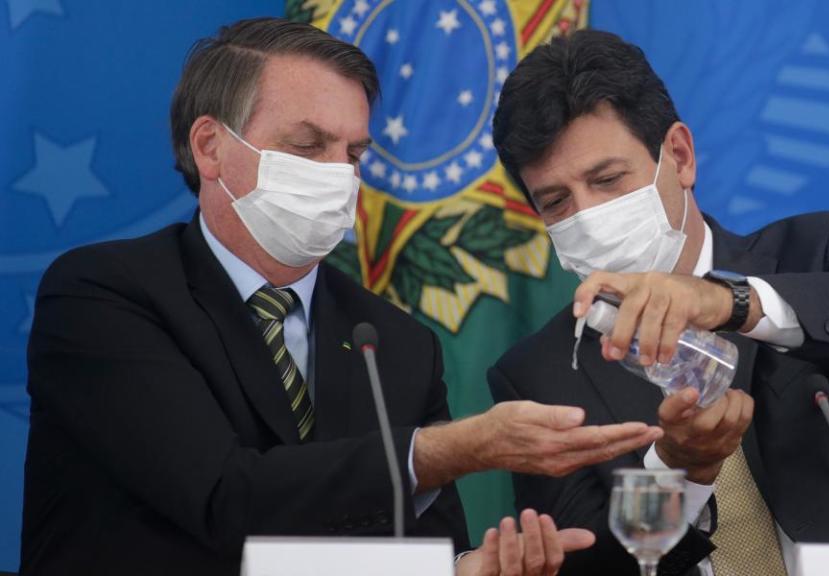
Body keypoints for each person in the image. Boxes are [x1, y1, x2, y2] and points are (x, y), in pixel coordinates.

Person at [19, 19, 664, 576]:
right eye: (308, 146)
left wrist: (470, 568)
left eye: (353, 152)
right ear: (210, 146)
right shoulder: (104, 296)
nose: (337, 174)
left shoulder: (398, 343)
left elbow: (425, 552)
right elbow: (225, 498)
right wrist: (450, 448)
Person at [488, 29, 829, 576]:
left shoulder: (810, 252)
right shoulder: (538, 376)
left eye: (608, 179)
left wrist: (729, 302)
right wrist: (677, 470)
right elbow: (595, 563)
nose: (587, 215)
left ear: (679, 157)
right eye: (556, 201)